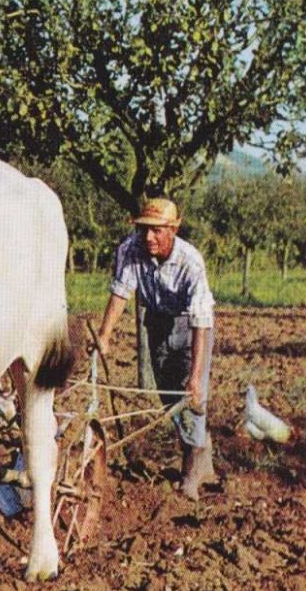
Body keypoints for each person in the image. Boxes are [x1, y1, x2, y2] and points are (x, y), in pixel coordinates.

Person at [91, 198, 218, 500]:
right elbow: (121, 291)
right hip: (157, 325)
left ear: (173, 229)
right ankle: (202, 454)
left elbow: (202, 320)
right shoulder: (131, 248)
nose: (148, 237)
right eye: (144, 230)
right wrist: (104, 336)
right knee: (168, 397)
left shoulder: (191, 261)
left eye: (157, 231)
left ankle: (191, 473)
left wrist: (196, 376)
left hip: (191, 329)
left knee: (189, 396)